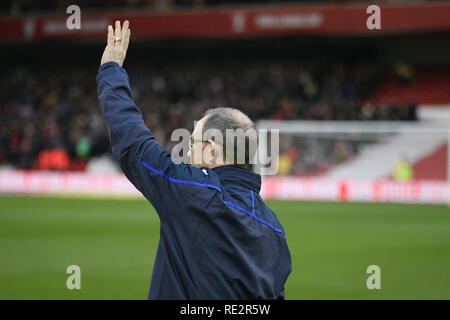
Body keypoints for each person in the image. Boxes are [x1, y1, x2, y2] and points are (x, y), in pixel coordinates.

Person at [97, 21, 291, 299]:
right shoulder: (274, 229)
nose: (187, 152)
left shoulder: (192, 192)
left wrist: (111, 71)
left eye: (193, 143)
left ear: (212, 150)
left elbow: (133, 142)